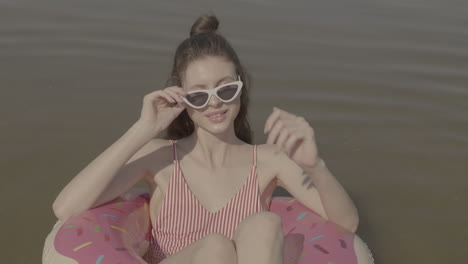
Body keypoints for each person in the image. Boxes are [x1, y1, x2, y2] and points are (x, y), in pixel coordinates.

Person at [52, 13, 363, 264]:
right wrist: (143, 128)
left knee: (265, 225)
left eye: (226, 90)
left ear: (241, 88)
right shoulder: (160, 158)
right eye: (199, 95)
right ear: (181, 97)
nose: (214, 103)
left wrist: (315, 166)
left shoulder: (270, 160)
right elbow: (67, 208)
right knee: (216, 249)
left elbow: (346, 224)